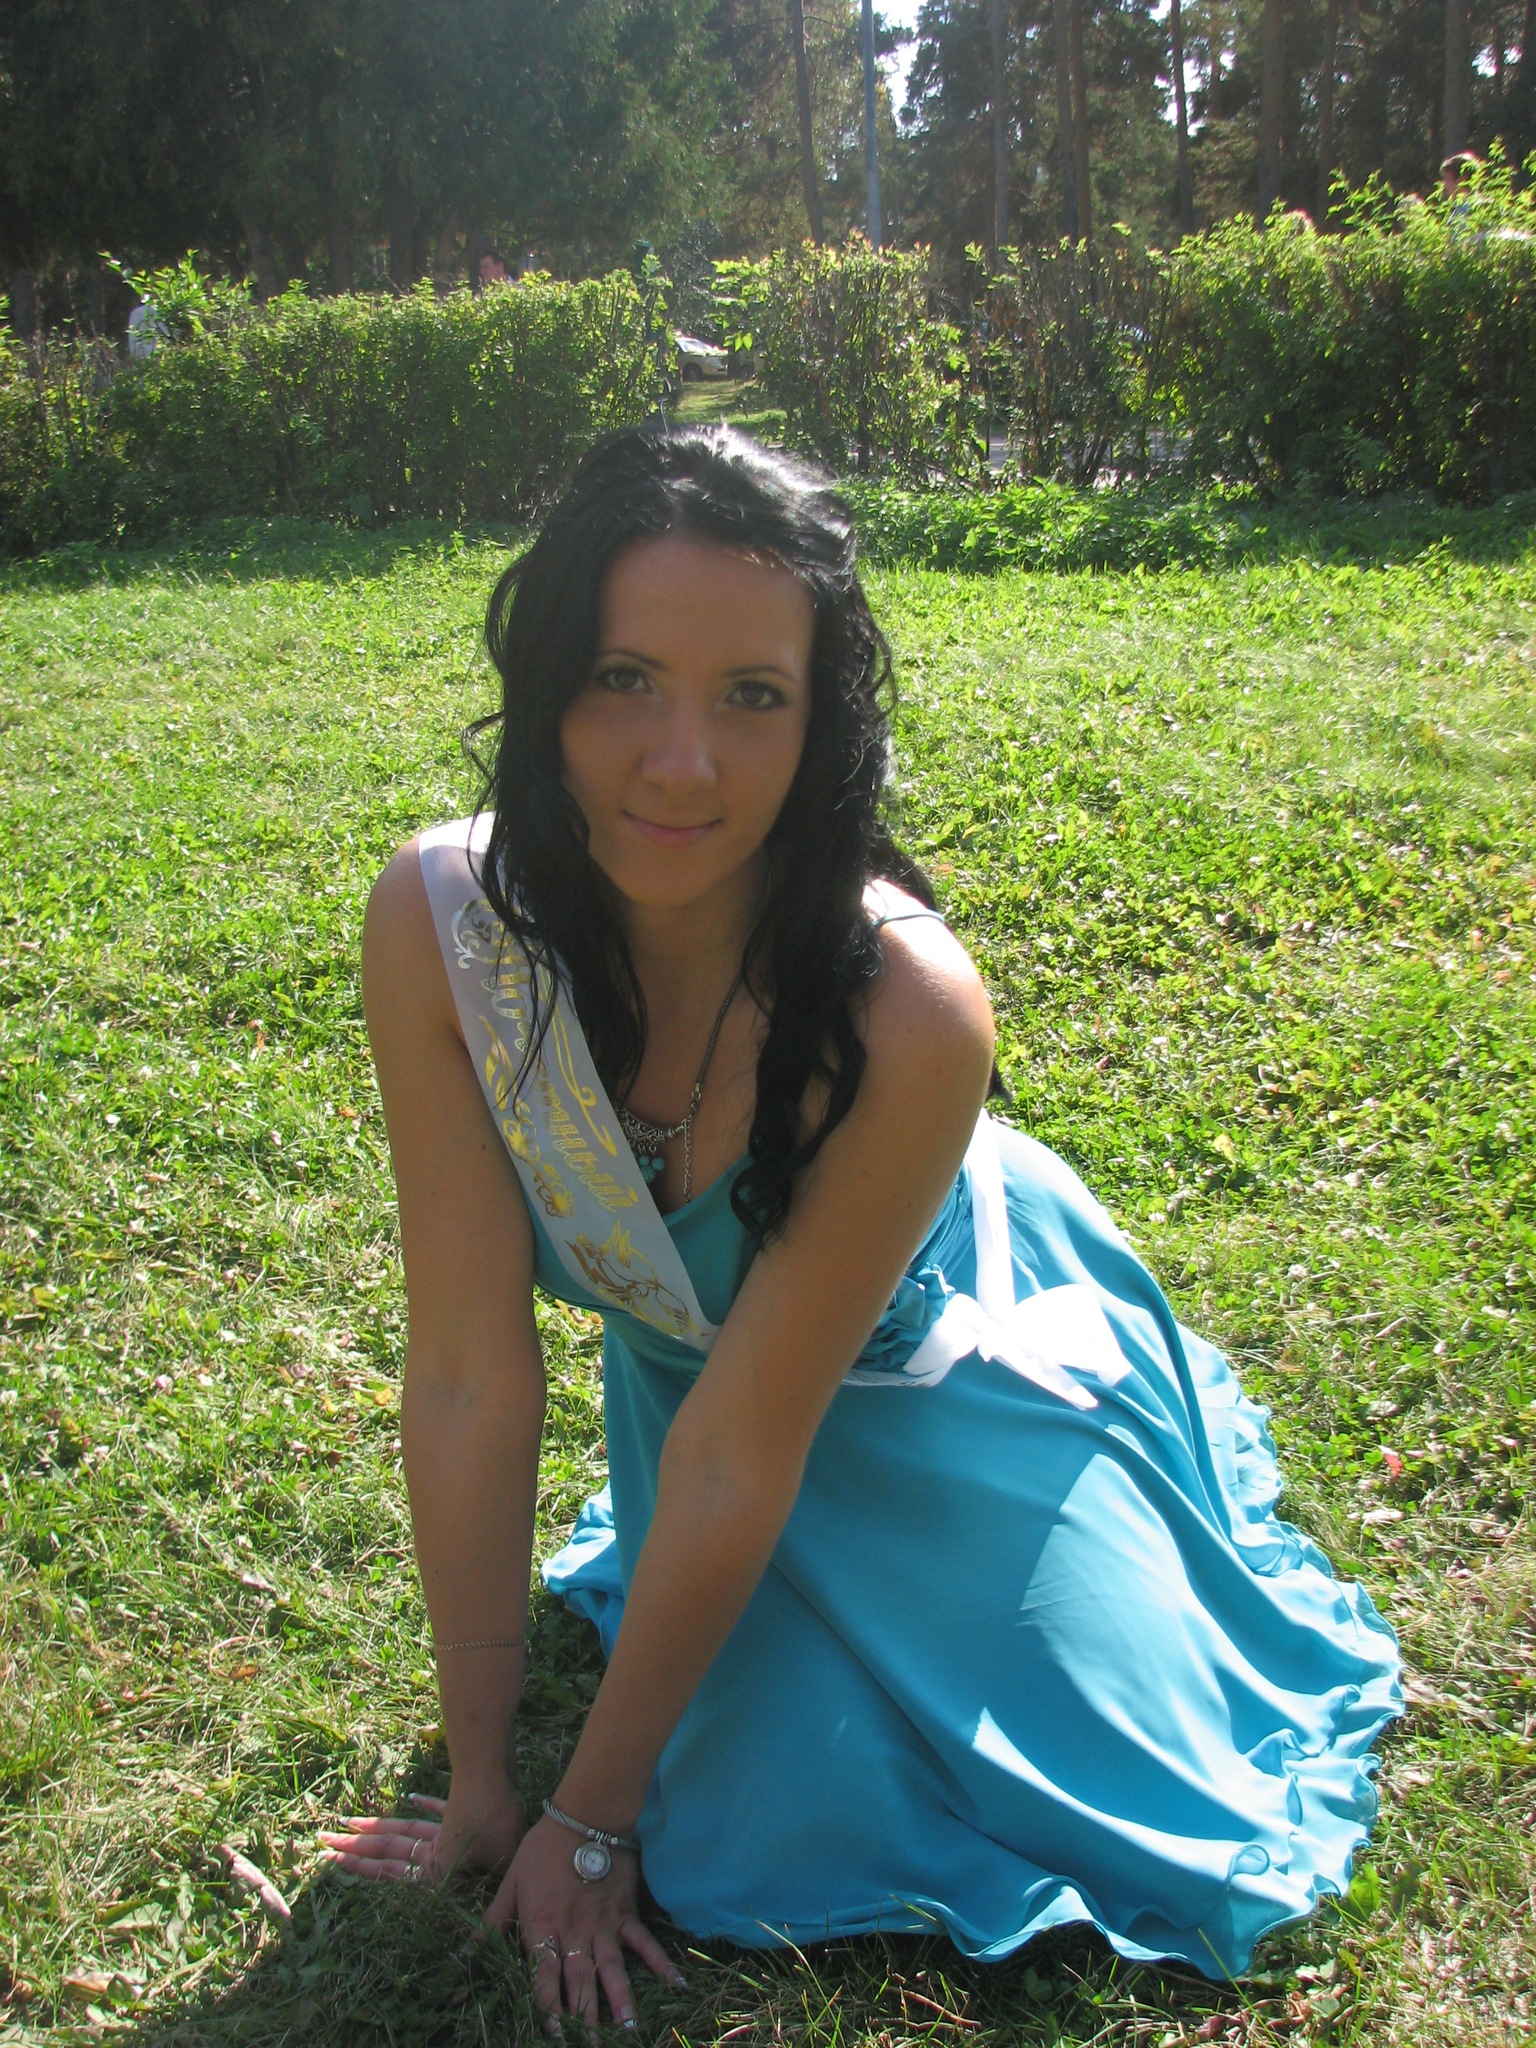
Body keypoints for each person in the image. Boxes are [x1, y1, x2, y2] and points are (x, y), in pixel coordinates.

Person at [320, 426, 1401, 2031]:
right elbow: (472, 1373)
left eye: (753, 696)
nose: (683, 765)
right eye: (623, 678)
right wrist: (487, 1781)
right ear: (544, 685)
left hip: (938, 1378)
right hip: (709, 1399)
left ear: (822, 723)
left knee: (916, 1793)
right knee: (754, 1782)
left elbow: (744, 1449)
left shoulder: (911, 1008)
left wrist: (592, 1820)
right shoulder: (443, 928)